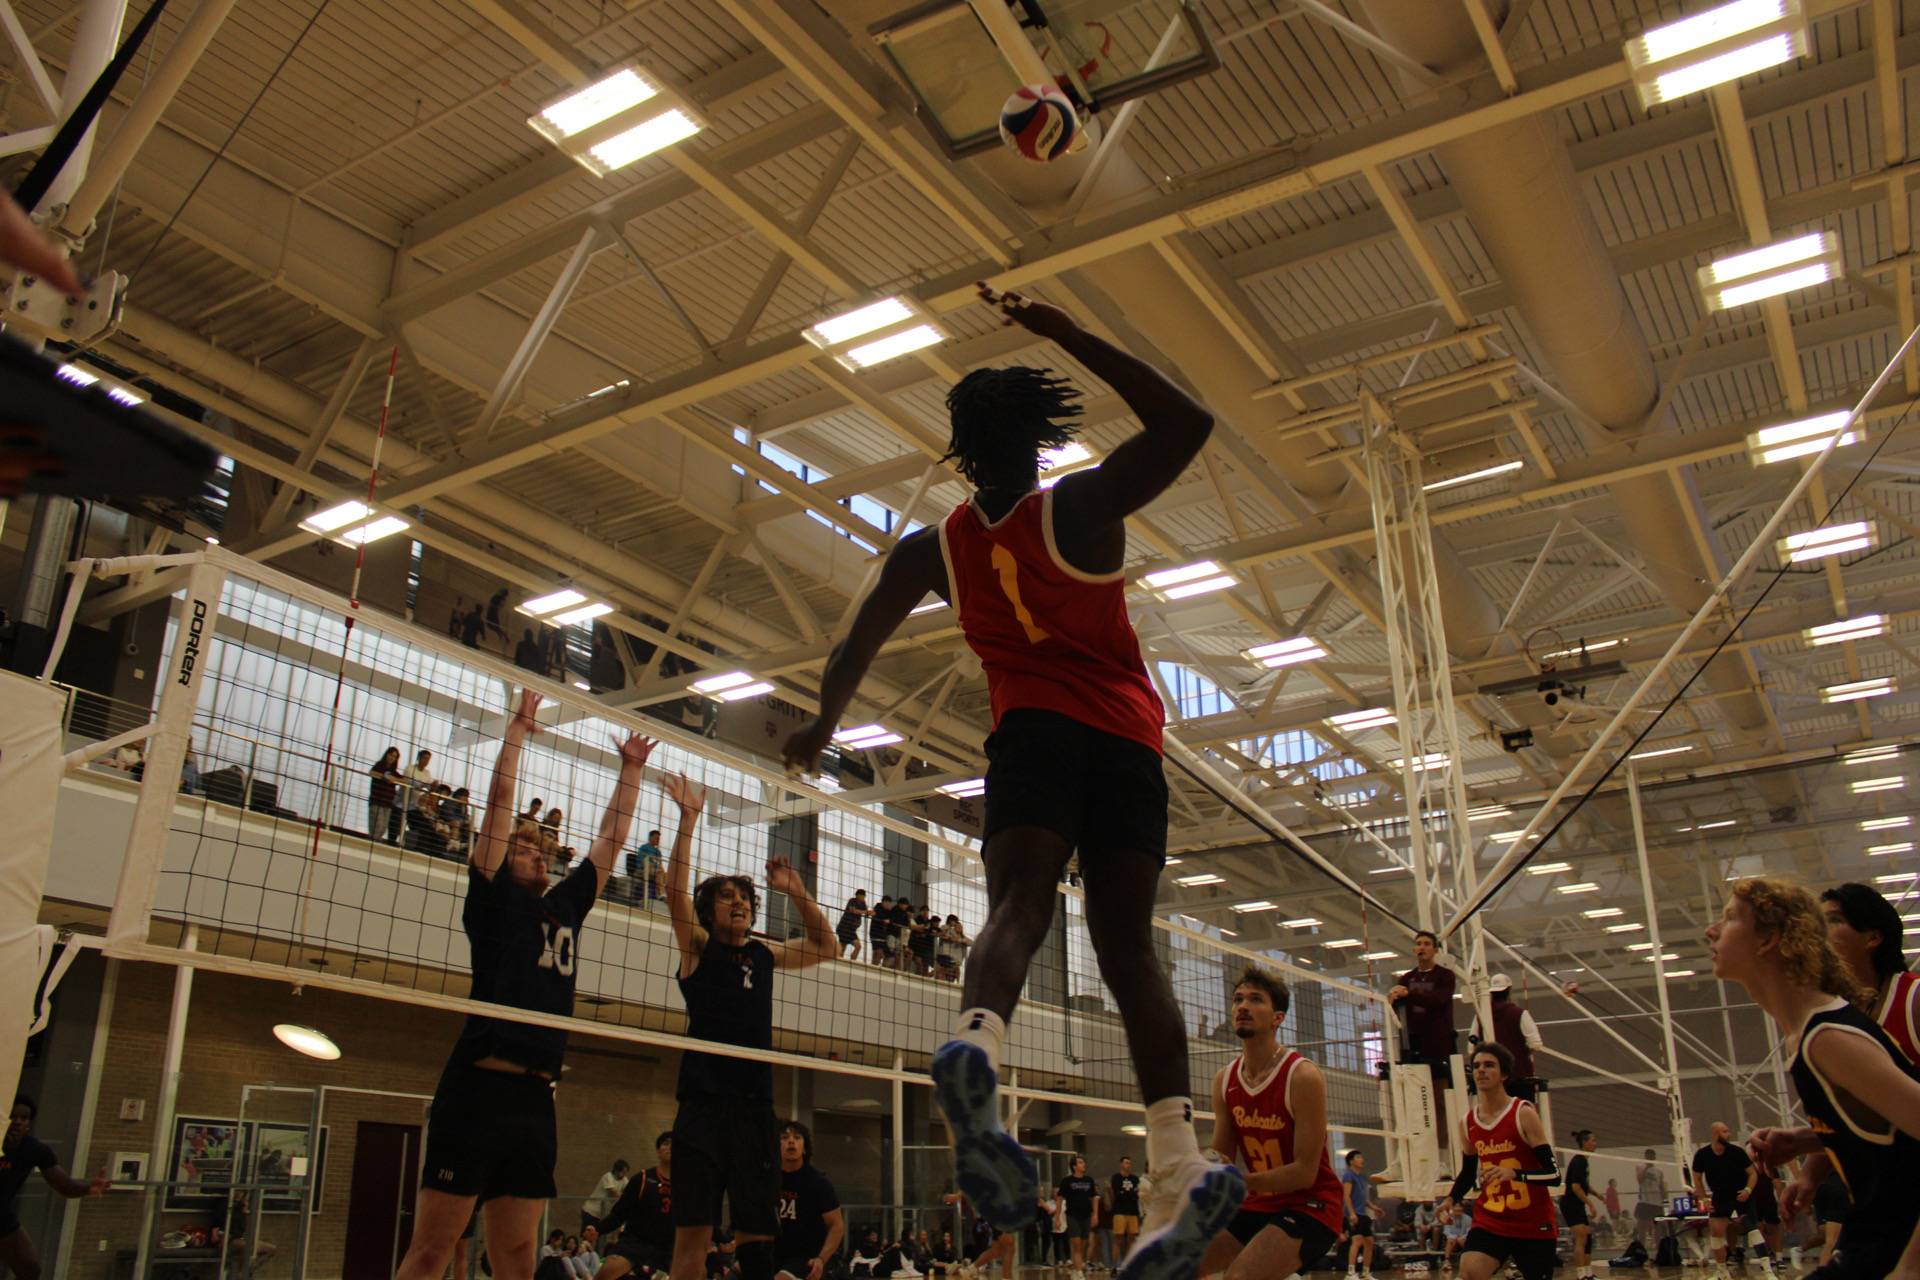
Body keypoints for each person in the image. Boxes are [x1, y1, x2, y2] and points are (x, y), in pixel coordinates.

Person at [781, 283, 1236, 1280]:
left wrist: (822, 719)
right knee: (1130, 950)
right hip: (1124, 744)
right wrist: (1073, 332)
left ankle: (978, 1044)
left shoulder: (932, 549)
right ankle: (1177, 1158)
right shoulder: (1078, 504)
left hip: (1031, 736)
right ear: (1038, 440)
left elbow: (855, 640)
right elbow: (1189, 422)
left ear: (962, 448)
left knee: (1019, 906)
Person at [392, 691, 656, 1280]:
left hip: (538, 1101)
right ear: (498, 858)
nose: (536, 852)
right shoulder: (490, 902)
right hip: (478, 1090)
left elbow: (611, 840)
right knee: (434, 1249)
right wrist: (517, 732)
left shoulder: (564, 907)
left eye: (540, 848)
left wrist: (631, 770)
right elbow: (501, 801)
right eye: (522, 846)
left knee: (516, 1254)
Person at [663, 772, 838, 1280]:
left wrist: (797, 889)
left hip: (755, 1111)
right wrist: (688, 821)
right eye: (726, 897)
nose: (738, 902)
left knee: (758, 1240)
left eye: (744, 896)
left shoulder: (764, 957)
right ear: (708, 912)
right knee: (692, 1241)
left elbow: (827, 947)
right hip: (701, 1110)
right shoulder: (698, 951)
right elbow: (674, 892)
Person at [1714, 877, 1920, 1279]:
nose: (1712, 930)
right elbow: (1885, 1127)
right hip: (1873, 1235)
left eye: (1730, 918)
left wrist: (1911, 1268)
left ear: (1770, 939)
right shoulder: (1810, 1034)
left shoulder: (1830, 1036)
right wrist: (1808, 1142)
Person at [1199, 967, 1343, 1280]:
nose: (1243, 1006)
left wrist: (1244, 1182)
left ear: (1277, 1017)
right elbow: (1220, 1159)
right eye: (1238, 999)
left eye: (1255, 999)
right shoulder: (1224, 1080)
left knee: (1240, 1277)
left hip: (1312, 1205)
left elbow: (1305, 1173)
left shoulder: (1302, 1076)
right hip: (1259, 1204)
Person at [1435, 1043, 1560, 1280]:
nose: (1481, 1070)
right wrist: (1451, 1199)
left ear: (1503, 1074)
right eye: (1477, 1066)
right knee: (1469, 1272)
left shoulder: (1523, 1113)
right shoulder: (1468, 1122)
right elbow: (1468, 1172)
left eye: (1489, 1065)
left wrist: (1515, 1173)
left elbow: (1553, 1175)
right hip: (1491, 1219)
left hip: (1532, 1221)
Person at [2, 1096, 109, 1280]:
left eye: (24, 1118)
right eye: (13, 1116)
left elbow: (64, 1185)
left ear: (29, 1123)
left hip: (1, 1215)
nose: (18, 1122)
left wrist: (87, 1189)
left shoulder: (34, 1149)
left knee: (29, 1268)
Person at [1820, 883, 1918, 1063]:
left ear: (1872, 938)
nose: (1819, 931)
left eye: (1833, 920)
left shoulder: (1913, 996)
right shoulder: (1826, 1009)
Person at [596, 1133, 675, 1280]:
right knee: (608, 1269)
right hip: (636, 1242)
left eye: (674, 1144)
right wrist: (597, 1229)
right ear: (658, 1151)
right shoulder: (642, 1179)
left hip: (668, 1248)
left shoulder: (688, 1186)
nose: (670, 1147)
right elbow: (619, 1214)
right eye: (665, 1143)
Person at [772, 1121, 843, 1280]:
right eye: (784, 1137)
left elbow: (836, 1225)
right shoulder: (768, 1179)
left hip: (806, 1256)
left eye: (797, 1138)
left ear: (804, 1148)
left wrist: (821, 1259)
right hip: (772, 1253)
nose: (791, 1141)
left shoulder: (818, 1182)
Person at [1389, 930, 1457, 1085]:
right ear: (1414, 950)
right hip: (1412, 1044)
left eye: (1427, 944)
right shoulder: (1406, 978)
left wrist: (1408, 994)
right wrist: (1392, 999)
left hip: (1438, 1046)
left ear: (1435, 950)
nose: (1422, 947)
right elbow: (1400, 1010)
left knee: (1440, 1091)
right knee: (1416, 1091)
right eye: (1419, 944)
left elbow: (1437, 1000)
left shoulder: (1445, 976)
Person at [1690, 1121, 1756, 1269]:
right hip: (1719, 1197)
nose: (1729, 1134)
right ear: (1715, 1134)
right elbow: (1697, 1179)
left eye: (1728, 1131)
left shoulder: (1737, 1152)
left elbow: (1753, 1174)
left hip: (1740, 1195)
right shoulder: (1702, 1154)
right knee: (1716, 1230)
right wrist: (1704, 1199)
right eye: (1725, 1131)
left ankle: (1768, 1269)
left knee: (1751, 1228)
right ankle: (1721, 1271)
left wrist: (1748, 1190)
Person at [1469, 976, 1543, 1101]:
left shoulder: (1480, 1017)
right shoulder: (1519, 1013)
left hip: (1491, 1082)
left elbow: (1471, 1048)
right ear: (1509, 990)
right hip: (1520, 1078)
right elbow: (1535, 1044)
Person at [1339, 1151, 1383, 1280]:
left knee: (1369, 1242)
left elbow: (1364, 1198)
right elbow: (1346, 1196)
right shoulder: (1348, 1175)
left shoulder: (1362, 1178)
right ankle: (1351, 1273)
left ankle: (1365, 1273)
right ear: (1351, 1161)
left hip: (1362, 1214)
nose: (1361, 1159)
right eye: (1358, 1157)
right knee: (1357, 1241)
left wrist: (1374, 1208)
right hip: (1354, 1213)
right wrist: (1352, 1213)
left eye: (1361, 1157)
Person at [1561, 1130, 1599, 1280]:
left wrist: (1597, 1195)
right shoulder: (1579, 1160)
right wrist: (1591, 1204)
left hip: (1577, 1204)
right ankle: (1581, 1275)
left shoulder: (1584, 1160)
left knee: (1588, 1237)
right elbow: (1575, 1187)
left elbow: (1584, 1185)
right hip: (1570, 1204)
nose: (1595, 1143)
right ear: (1585, 1143)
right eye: (1593, 1140)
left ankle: (1589, 1274)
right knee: (1581, 1237)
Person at [1055, 1157, 1098, 1280]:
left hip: (1086, 1216)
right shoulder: (1067, 1181)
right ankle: (1079, 1272)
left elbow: (1094, 1197)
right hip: (1072, 1215)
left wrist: (1095, 1214)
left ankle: (1075, 1268)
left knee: (1083, 1245)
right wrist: (1057, 1217)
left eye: (1083, 1162)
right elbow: (1059, 1199)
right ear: (1074, 1166)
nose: (1084, 1164)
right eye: (1081, 1162)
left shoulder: (1089, 1180)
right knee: (1076, 1244)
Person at [584, 1161, 632, 1234]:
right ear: (616, 1170)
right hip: (591, 1211)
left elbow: (629, 1192)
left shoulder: (624, 1179)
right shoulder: (608, 1176)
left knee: (598, 1235)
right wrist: (624, 1197)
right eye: (623, 1172)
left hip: (602, 1214)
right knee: (588, 1235)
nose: (624, 1174)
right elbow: (613, 1192)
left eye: (625, 1172)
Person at [1631, 1149, 1666, 1252]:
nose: (1649, 1157)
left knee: (1658, 1229)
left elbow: (1661, 1187)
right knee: (1642, 1228)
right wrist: (1647, 1166)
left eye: (1651, 1156)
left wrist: (1665, 1203)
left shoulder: (1659, 1171)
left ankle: (1658, 1251)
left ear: (1654, 1157)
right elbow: (1640, 1180)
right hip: (1645, 1202)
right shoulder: (1640, 1167)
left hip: (1657, 1203)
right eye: (1648, 1156)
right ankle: (1641, 1251)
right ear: (1645, 1157)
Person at [1108, 1157, 1141, 1265]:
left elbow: (1137, 1195)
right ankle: (1114, 1266)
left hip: (1133, 1212)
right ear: (1121, 1164)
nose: (1129, 1165)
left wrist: (1127, 1193)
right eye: (1126, 1163)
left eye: (1130, 1163)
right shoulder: (1116, 1178)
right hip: (1119, 1211)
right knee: (1118, 1239)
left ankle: (1128, 1265)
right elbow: (1118, 1195)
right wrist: (1130, 1193)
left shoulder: (1135, 1179)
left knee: (1132, 1239)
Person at [369, 746, 405, 844]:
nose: (392, 758)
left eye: (394, 757)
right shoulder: (379, 766)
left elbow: (405, 780)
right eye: (391, 755)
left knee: (383, 827)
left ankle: (375, 842)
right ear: (387, 754)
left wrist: (393, 779)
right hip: (377, 801)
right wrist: (384, 776)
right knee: (378, 825)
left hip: (387, 803)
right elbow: (371, 773)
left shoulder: (394, 772)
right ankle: (373, 843)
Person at [628, 831, 667, 908]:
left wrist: (660, 870)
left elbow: (660, 865)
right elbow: (643, 862)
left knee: (666, 875)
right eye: (656, 838)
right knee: (658, 873)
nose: (658, 840)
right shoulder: (644, 847)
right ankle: (661, 893)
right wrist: (652, 862)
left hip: (656, 871)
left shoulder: (658, 852)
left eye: (659, 838)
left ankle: (662, 894)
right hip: (643, 870)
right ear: (650, 838)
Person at [835, 890, 869, 961]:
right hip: (844, 928)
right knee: (843, 948)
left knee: (858, 946)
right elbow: (852, 910)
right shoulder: (852, 901)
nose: (863, 898)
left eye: (864, 896)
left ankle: (852, 961)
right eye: (862, 896)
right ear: (858, 896)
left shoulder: (863, 903)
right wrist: (864, 912)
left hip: (851, 930)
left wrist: (870, 912)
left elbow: (867, 913)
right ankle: (839, 961)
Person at [867, 895, 894, 968]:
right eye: (887, 903)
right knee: (878, 952)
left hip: (883, 936)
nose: (888, 905)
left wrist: (888, 920)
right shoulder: (878, 908)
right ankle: (873, 967)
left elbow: (892, 920)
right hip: (875, 934)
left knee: (888, 955)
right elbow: (876, 916)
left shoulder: (890, 912)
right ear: (883, 902)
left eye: (889, 903)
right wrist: (884, 920)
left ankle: (879, 967)